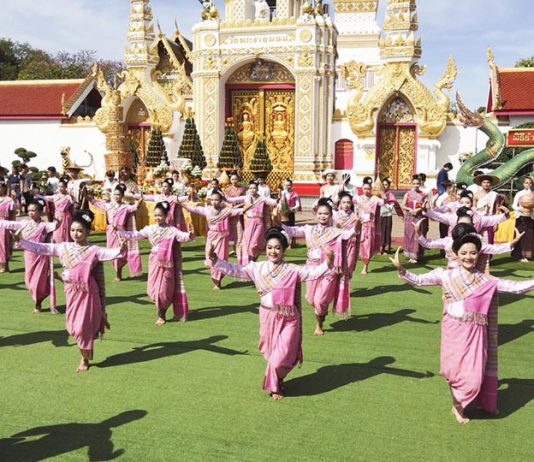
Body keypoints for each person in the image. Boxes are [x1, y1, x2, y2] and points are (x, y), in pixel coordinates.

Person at [391, 234, 534, 423]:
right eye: (464, 253)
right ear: (456, 254)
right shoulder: (445, 275)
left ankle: (464, 402)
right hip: (453, 330)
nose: (468, 257)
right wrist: (402, 269)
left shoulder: (486, 281)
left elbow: (514, 287)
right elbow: (419, 280)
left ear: (479, 254)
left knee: (474, 378)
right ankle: (457, 405)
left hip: (476, 333)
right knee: (453, 371)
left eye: (473, 253)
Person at [210, 227, 334, 400]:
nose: (273, 251)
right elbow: (234, 269)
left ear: (283, 250)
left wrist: (329, 261)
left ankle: (275, 386)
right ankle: (278, 378)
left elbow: (313, 272)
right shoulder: (257, 268)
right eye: (269, 247)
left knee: (281, 356)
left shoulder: (292, 270)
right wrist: (214, 258)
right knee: (270, 354)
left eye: (277, 248)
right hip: (267, 316)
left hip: (289, 318)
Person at [15, 210, 126, 372]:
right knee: (73, 327)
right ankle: (86, 350)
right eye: (73, 230)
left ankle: (84, 359)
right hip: (71, 292)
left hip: (88, 293)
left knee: (82, 328)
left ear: (87, 232)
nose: (75, 233)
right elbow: (42, 248)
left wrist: (121, 248)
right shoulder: (64, 247)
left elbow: (112, 253)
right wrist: (21, 242)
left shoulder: (94, 250)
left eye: (80, 230)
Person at [283, 198, 355, 335]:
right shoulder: (309, 229)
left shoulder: (336, 232)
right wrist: (277, 219)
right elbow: (290, 231)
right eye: (320, 213)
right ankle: (321, 312)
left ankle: (319, 324)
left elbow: (350, 233)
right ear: (316, 214)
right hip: (311, 269)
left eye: (326, 214)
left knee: (320, 300)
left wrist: (359, 224)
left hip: (328, 269)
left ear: (330, 215)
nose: (323, 216)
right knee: (311, 299)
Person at [120, 201, 194, 325]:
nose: (157, 218)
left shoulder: (171, 230)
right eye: (155, 215)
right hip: (154, 261)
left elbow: (182, 236)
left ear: (166, 216)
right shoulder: (150, 229)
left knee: (163, 291)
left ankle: (162, 315)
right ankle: (162, 310)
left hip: (167, 263)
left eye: (160, 215)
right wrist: (121, 232)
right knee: (152, 290)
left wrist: (189, 235)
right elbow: (136, 235)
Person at [181, 190, 247, 290]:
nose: (214, 202)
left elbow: (241, 211)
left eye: (216, 200)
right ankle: (216, 280)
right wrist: (179, 203)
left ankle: (218, 282)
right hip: (212, 236)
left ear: (221, 201)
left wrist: (250, 205)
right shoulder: (207, 210)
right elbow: (193, 209)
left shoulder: (226, 211)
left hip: (222, 237)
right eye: (212, 200)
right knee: (210, 258)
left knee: (221, 259)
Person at [0, 198, 57, 312]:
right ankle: (44, 291)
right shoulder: (24, 223)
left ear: (40, 212)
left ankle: (38, 304)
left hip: (41, 256)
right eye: (29, 210)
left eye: (33, 210)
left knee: (36, 284)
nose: (31, 213)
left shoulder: (45, 225)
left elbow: (56, 226)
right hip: (29, 256)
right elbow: (8, 223)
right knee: (29, 283)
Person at [416, 220, 522, 271]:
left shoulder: (474, 244)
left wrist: (513, 242)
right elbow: (428, 243)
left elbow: (496, 249)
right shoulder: (447, 241)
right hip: (451, 273)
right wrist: (419, 234)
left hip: (469, 273)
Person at [89, 184, 143, 281]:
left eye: (118, 194)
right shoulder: (109, 205)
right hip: (111, 232)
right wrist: (87, 195)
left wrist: (141, 198)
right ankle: (117, 272)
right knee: (112, 252)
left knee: (121, 253)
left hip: (121, 232)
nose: (116, 196)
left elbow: (136, 207)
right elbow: (95, 203)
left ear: (122, 196)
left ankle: (118, 274)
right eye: (115, 194)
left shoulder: (126, 207)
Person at [226, 181, 278, 264]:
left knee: (254, 244)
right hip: (248, 223)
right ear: (248, 189)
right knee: (248, 245)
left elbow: (272, 202)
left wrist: (279, 200)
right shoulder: (246, 198)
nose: (252, 190)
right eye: (250, 188)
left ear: (257, 189)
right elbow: (232, 200)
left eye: (254, 188)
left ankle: (252, 261)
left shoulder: (262, 198)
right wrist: (222, 197)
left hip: (259, 223)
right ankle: (249, 262)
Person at [426, 191, 509, 235]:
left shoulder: (477, 217)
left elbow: (491, 219)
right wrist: (426, 211)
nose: (464, 205)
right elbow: (439, 216)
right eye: (462, 203)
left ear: (471, 204)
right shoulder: (453, 217)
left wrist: (506, 215)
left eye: (467, 203)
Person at [332, 192, 360, 316]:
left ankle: (342, 303)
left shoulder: (355, 217)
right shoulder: (335, 215)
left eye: (348, 202)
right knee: (335, 272)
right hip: (337, 248)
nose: (346, 205)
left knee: (346, 272)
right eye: (344, 202)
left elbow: (357, 234)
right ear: (340, 203)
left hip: (350, 246)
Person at [354, 177, 385, 274]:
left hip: (370, 226)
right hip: (359, 225)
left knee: (367, 246)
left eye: (368, 189)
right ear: (362, 189)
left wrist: (382, 193)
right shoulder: (358, 199)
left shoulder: (375, 199)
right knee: (358, 245)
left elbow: (383, 203)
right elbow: (353, 208)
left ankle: (365, 265)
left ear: (371, 189)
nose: (367, 190)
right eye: (365, 189)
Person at [35, 178, 74, 243]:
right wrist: (37, 195)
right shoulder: (55, 196)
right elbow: (45, 197)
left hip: (65, 217)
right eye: (59, 186)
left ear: (65, 188)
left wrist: (71, 194)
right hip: (57, 216)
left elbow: (73, 201)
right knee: (56, 231)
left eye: (62, 187)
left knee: (65, 231)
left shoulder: (68, 197)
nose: (60, 188)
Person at [401, 175, 428, 263]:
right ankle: (409, 254)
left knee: (417, 235)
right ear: (412, 184)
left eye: (417, 183)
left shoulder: (423, 195)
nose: (416, 185)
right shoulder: (408, 194)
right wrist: (409, 209)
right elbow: (403, 205)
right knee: (409, 235)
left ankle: (416, 255)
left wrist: (418, 209)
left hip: (418, 217)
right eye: (414, 183)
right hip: (409, 217)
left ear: (420, 184)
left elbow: (426, 207)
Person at [511, 176, 534, 262]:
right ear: (523, 184)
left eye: (530, 183)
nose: (528, 184)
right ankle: (518, 255)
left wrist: (531, 209)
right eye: (526, 183)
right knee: (519, 235)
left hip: (530, 217)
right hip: (520, 218)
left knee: (529, 237)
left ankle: (528, 256)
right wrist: (520, 209)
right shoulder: (519, 194)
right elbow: (514, 205)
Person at [224, 173, 246, 256]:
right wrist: (229, 206)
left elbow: (245, 200)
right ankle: (232, 249)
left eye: (235, 179)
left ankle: (239, 249)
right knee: (230, 231)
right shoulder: (227, 189)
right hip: (230, 212)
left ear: (238, 179)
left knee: (239, 230)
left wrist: (238, 206)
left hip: (239, 212)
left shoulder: (242, 189)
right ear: (230, 180)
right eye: (232, 179)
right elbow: (225, 200)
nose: (234, 181)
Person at [379, 177, 403, 255]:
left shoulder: (390, 194)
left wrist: (385, 200)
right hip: (380, 215)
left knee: (387, 231)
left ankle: (386, 249)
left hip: (388, 215)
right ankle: (380, 249)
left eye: (386, 184)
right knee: (380, 232)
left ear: (389, 186)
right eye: (383, 184)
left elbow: (392, 205)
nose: (384, 186)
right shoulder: (378, 193)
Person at [473, 174, 499, 243]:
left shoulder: (495, 195)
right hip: (479, 219)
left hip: (490, 219)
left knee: (489, 239)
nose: (486, 184)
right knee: (477, 239)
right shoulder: (476, 195)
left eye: (488, 182)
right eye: (484, 182)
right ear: (481, 183)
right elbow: (474, 209)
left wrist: (496, 223)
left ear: (490, 184)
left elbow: (496, 209)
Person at [277, 179, 301, 247]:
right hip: (282, 213)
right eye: (286, 185)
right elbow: (278, 202)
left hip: (290, 213)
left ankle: (291, 243)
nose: (287, 186)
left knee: (291, 227)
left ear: (291, 185)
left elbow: (298, 204)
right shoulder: (282, 193)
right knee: (282, 227)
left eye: (289, 185)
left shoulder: (294, 194)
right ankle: (283, 242)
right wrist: (279, 207)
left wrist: (292, 208)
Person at [0, 183, 16, 272]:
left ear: (4, 189)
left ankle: (5, 266)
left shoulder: (9, 200)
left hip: (4, 225)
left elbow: (12, 214)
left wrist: (12, 226)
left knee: (4, 244)